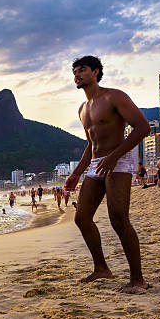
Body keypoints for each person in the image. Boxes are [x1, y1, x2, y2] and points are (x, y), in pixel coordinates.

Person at [65, 56, 150, 294]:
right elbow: (90, 144)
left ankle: (137, 280)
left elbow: (143, 127)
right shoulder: (83, 109)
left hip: (119, 160)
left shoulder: (115, 96)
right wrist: (76, 173)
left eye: (82, 70)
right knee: (82, 218)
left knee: (118, 218)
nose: (77, 75)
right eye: (74, 72)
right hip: (96, 164)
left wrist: (114, 156)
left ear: (96, 72)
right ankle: (101, 268)